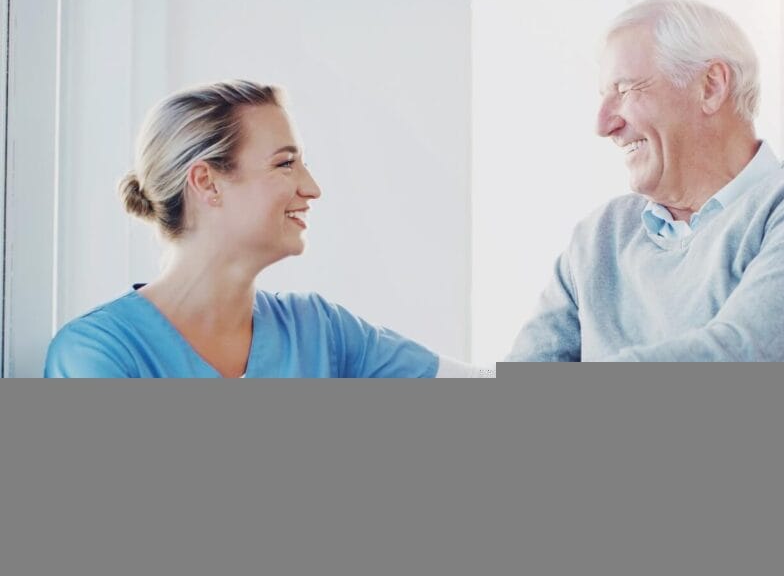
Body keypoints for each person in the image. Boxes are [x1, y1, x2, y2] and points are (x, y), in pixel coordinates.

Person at [506, 0, 784, 362]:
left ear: (711, 86)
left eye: (624, 90)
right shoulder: (598, 239)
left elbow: (741, 356)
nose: (604, 124)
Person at [45, 80, 486, 377]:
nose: (311, 189)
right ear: (207, 182)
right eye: (285, 164)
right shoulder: (98, 354)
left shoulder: (320, 331)